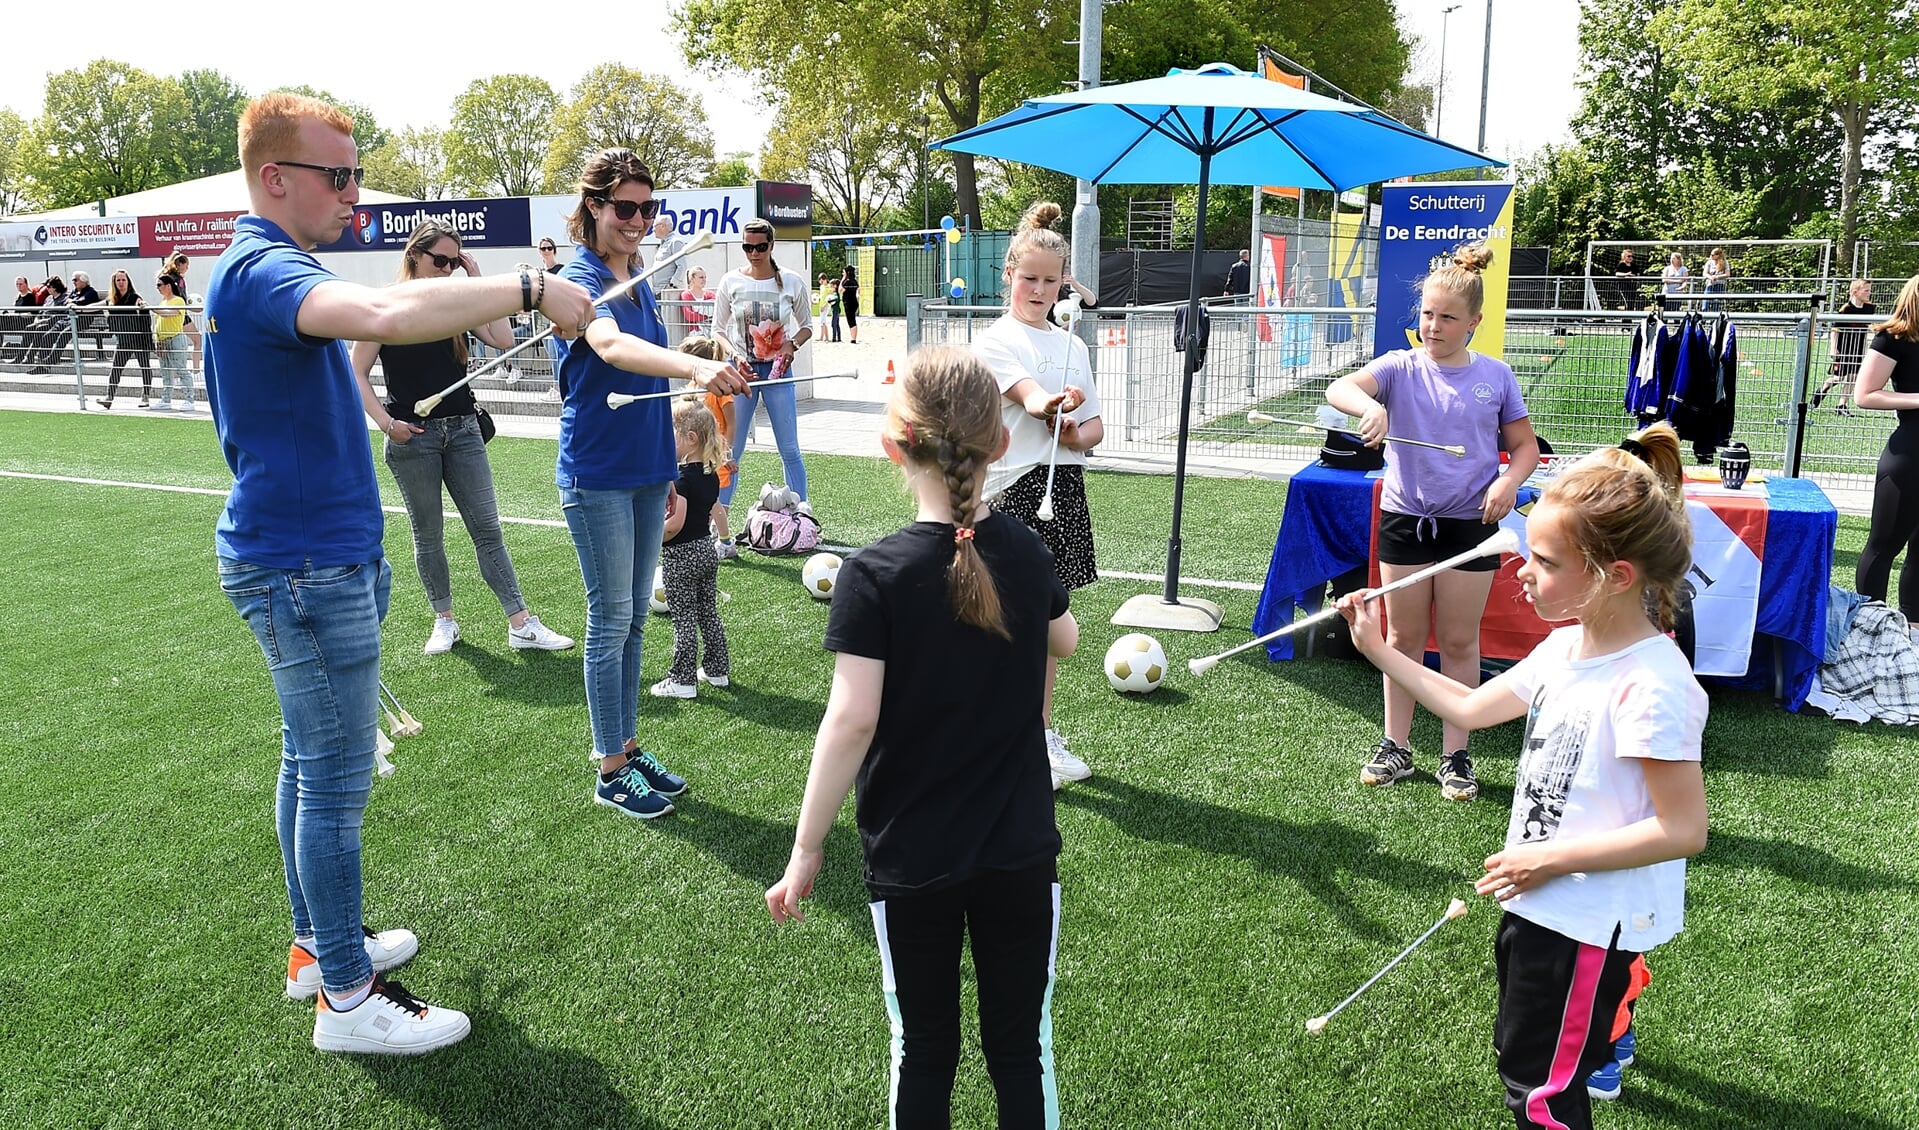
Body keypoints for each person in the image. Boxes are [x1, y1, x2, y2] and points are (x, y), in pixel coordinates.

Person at [207, 92, 594, 1054]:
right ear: (276, 178)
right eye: (336, 174)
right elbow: (383, 310)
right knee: (333, 782)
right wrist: (529, 289)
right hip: (304, 566)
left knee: (310, 766)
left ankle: (318, 947)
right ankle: (347, 996)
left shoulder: (270, 264)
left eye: (355, 172)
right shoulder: (261, 267)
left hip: (306, 558)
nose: (353, 192)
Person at [1337, 421, 1708, 1130]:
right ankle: (1615, 1009)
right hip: (1539, 901)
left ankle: (1616, 1001)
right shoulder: (1565, 646)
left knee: (1539, 1091)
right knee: (1526, 1059)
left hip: (1582, 920)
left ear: (1613, 577)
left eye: (1541, 558)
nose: (1520, 569)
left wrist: (1548, 858)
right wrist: (1377, 647)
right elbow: (1470, 710)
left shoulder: (1651, 687)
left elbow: (1682, 829)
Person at [766, 344, 1079, 1129]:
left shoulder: (873, 576)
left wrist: (806, 850)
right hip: (1019, 849)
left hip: (913, 860)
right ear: (1001, 443)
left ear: (891, 445)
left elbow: (851, 719)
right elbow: (1066, 640)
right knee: (1020, 1051)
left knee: (923, 1050)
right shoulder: (1020, 548)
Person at [553, 146, 749, 821]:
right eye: (624, 207)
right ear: (593, 208)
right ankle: (609, 769)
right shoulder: (577, 280)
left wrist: (667, 472)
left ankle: (627, 748)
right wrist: (694, 368)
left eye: (647, 207)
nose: (638, 220)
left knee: (636, 617)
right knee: (609, 620)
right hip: (597, 474)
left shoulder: (637, 275)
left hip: (643, 473)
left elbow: (646, 386)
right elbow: (610, 350)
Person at [1325, 243, 1540, 803]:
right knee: (1403, 637)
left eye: (1447, 317)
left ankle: (1456, 754)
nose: (1434, 326)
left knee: (1459, 640)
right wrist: (1368, 408)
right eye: (1426, 315)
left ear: (1475, 322)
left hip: (1473, 524)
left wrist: (1507, 481)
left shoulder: (1495, 375)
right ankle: (1396, 746)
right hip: (1404, 519)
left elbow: (1524, 448)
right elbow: (1338, 389)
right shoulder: (1398, 367)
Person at [350, 219, 576, 658]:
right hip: (412, 436)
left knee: (488, 529)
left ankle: (520, 623)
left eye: (455, 262)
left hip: (464, 429)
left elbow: (503, 338)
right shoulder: (385, 303)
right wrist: (385, 423)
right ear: (415, 255)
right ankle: (444, 620)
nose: (448, 269)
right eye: (441, 261)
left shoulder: (459, 300)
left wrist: (478, 282)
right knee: (428, 535)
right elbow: (355, 370)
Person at [976, 200, 1104, 790]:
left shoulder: (1074, 345)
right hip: (1013, 493)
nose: (1039, 289)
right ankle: (1002, 733)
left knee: (1048, 623)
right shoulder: (994, 341)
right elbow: (1027, 397)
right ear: (1009, 275)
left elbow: (1096, 430)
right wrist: (1051, 411)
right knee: (1005, 623)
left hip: (1064, 487)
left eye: (1051, 281)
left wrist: (1074, 429)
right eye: (1029, 277)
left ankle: (1039, 731)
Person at [712, 216, 815, 507]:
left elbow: (807, 325)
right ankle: (720, 521)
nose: (754, 253)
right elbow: (717, 330)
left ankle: (800, 512)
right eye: (747, 247)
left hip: (778, 372)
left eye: (759, 247)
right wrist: (734, 354)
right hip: (740, 373)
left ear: (771, 245)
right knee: (731, 449)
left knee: (789, 448)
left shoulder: (792, 281)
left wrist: (791, 345)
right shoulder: (730, 281)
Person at [651, 397, 732, 698]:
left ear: (690, 439)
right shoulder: (711, 476)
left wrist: (649, 538)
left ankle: (682, 680)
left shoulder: (682, 481)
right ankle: (717, 669)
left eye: (669, 433)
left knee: (683, 618)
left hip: (682, 556)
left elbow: (674, 524)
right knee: (708, 613)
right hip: (706, 551)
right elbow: (715, 510)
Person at [1853, 275, 1919, 634]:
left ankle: (1913, 634)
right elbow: (1865, 394)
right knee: (1883, 547)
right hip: (1909, 456)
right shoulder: (1894, 337)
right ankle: (1869, 629)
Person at [679, 334, 741, 555]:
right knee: (699, 498)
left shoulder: (720, 391)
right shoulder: (690, 388)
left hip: (710, 455)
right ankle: (708, 536)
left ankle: (724, 541)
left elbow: (732, 424)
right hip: (692, 455)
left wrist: (726, 454)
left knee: (712, 500)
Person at [1812, 278, 1875, 414]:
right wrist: (1833, 349)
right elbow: (1835, 330)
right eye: (1866, 291)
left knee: (1853, 377)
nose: (1869, 293)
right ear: (1855, 292)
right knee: (1838, 378)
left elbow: (1868, 327)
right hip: (1844, 349)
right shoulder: (1845, 309)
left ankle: (1841, 406)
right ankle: (1822, 390)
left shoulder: (1869, 308)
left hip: (1857, 348)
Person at [94, 270, 153, 409]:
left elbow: (141, 303)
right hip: (123, 340)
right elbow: (93, 307)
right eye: (118, 280)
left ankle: (145, 396)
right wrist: (75, 308)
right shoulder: (111, 300)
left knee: (144, 367)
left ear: (128, 282)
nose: (121, 283)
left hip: (139, 339)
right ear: (114, 283)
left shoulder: (134, 297)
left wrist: (143, 305)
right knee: (116, 368)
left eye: (123, 280)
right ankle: (109, 397)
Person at [150, 273, 192, 410]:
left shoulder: (178, 300)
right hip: (163, 340)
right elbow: (158, 320)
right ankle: (166, 399)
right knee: (165, 372)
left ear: (168, 286)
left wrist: (152, 308)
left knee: (181, 369)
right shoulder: (162, 302)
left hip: (175, 338)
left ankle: (189, 400)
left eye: (159, 285)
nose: (157, 288)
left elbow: (169, 313)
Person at [163, 250, 207, 373]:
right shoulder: (178, 279)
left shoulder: (167, 277)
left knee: (175, 345)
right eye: (186, 265)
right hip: (180, 315)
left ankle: (179, 372)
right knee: (197, 340)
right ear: (180, 264)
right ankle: (196, 370)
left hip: (171, 314)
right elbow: (181, 298)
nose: (187, 267)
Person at [535, 237, 567, 402]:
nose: (546, 251)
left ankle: (558, 387)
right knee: (551, 356)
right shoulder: (539, 273)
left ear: (554, 250)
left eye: (549, 248)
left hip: (557, 319)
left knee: (558, 355)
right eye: (543, 248)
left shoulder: (562, 270)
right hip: (543, 322)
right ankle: (556, 386)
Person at [653, 215, 689, 340]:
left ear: (663, 226)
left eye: (655, 226)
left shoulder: (675, 242)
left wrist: (671, 285)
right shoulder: (663, 244)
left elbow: (682, 266)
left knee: (668, 327)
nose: (653, 230)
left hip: (667, 293)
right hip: (658, 293)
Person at [23, 275, 70, 371]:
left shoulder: (64, 298)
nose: (47, 289)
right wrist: (37, 320)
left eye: (49, 286)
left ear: (56, 287)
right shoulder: (48, 298)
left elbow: (62, 315)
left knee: (40, 329)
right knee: (29, 327)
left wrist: (43, 321)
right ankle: (24, 356)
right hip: (42, 321)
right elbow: (41, 312)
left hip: (53, 323)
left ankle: (36, 358)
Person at [3, 275, 40, 365]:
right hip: (17, 320)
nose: (19, 286)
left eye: (21, 284)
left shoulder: (30, 296)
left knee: (28, 331)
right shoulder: (18, 296)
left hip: (25, 321)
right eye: (17, 284)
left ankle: (20, 356)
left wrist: (19, 315)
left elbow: (32, 313)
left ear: (26, 284)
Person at [680, 265, 714, 337]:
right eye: (701, 277)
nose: (704, 280)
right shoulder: (686, 295)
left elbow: (716, 310)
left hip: (711, 330)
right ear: (692, 279)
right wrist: (707, 316)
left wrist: (698, 312)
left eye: (705, 277)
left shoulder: (710, 294)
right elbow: (689, 316)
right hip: (696, 332)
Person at [839, 262, 861, 344]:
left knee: (851, 320)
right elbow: (859, 290)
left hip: (848, 303)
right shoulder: (855, 281)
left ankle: (853, 338)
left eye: (843, 272)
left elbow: (840, 291)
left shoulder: (846, 282)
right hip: (854, 302)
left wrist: (842, 279)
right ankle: (853, 337)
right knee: (853, 319)